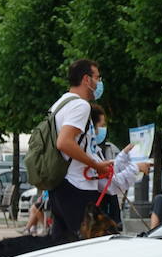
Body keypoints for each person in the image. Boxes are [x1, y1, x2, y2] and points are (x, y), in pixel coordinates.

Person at [47, 59, 115, 242]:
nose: (99, 83)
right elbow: (64, 142)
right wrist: (95, 165)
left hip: (60, 185)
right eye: (97, 78)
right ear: (87, 79)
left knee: (61, 244)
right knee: (84, 246)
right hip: (78, 187)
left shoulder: (60, 104)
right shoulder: (81, 106)